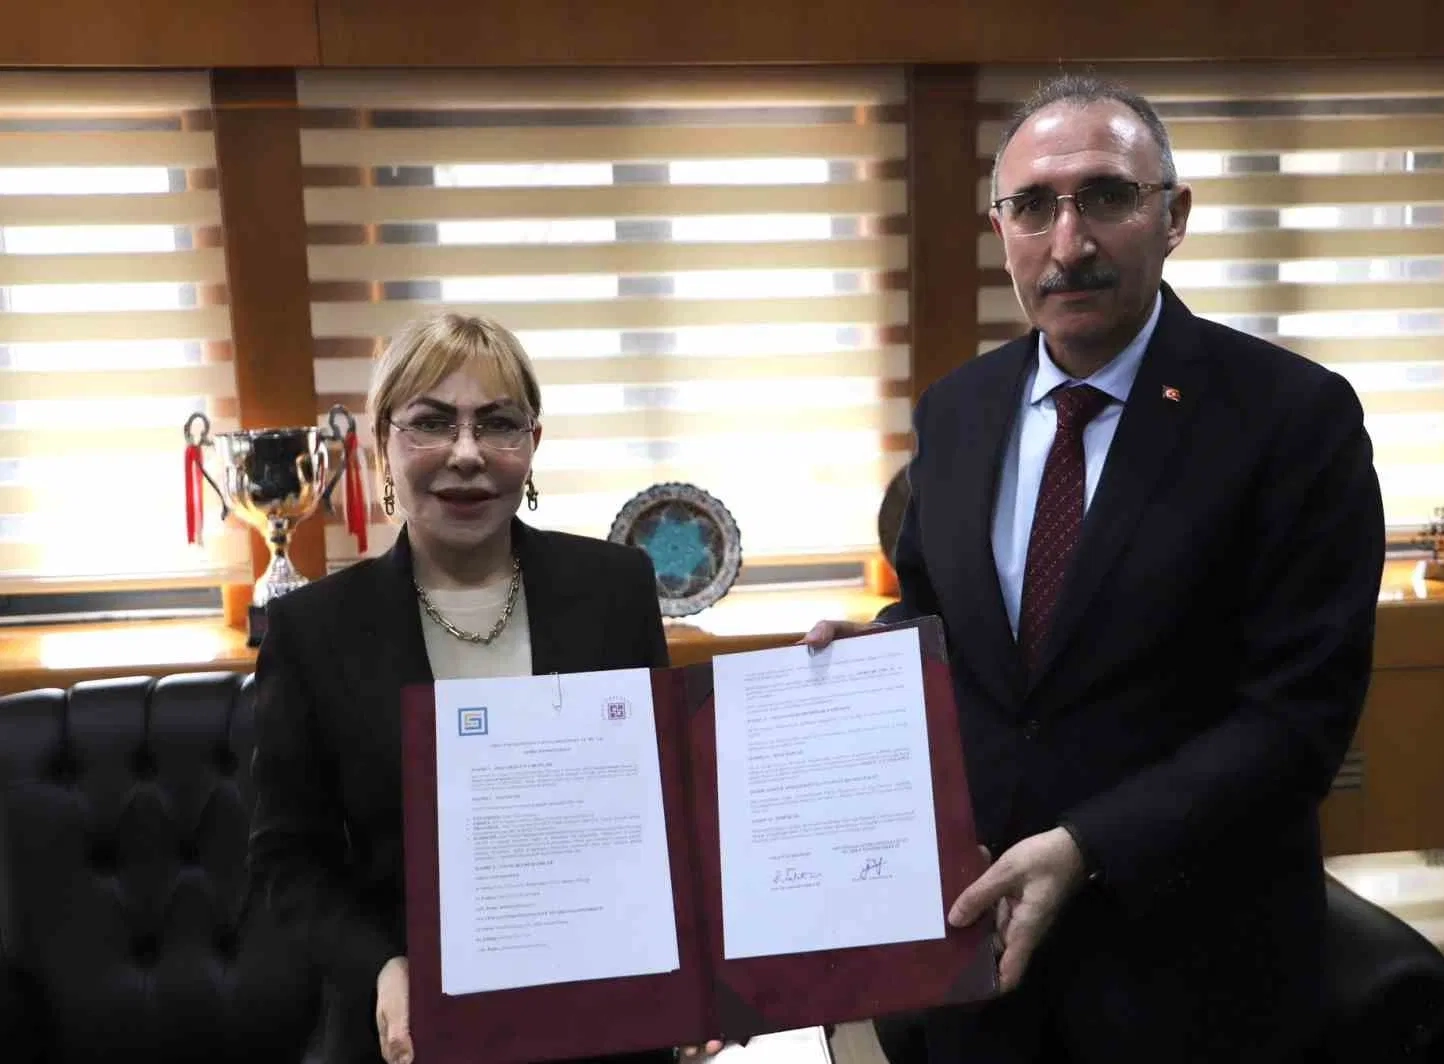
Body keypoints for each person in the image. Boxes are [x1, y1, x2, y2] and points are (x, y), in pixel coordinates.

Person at [805, 73, 1386, 1063]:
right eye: (1033, 206)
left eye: (1106, 197)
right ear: (1000, 228)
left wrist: (1086, 848)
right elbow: (945, 621)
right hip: (980, 961)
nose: (1067, 243)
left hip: (1191, 975)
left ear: (1174, 216)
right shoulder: (957, 410)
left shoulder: (1292, 417)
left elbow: (1299, 718)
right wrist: (878, 660)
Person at [246, 313, 711, 1064]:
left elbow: (667, 812)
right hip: (410, 1026)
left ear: (533, 444)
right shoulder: (312, 630)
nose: (467, 454)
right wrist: (380, 968)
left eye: (498, 424)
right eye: (432, 423)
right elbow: (287, 862)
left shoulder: (615, 588)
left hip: (605, 1015)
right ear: (383, 444)